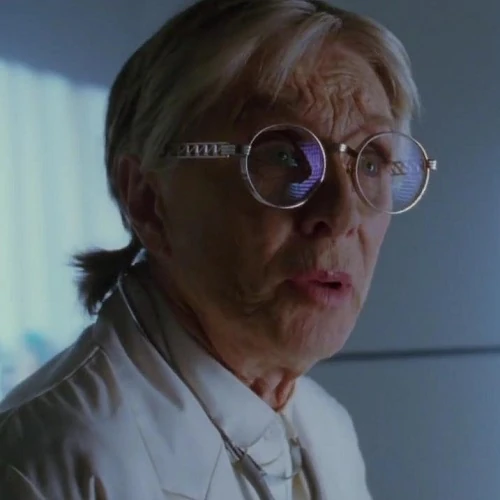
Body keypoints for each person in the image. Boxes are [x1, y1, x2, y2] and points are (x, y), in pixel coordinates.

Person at [0, 0, 437, 498]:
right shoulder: (45, 464)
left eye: (371, 163)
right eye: (283, 155)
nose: (341, 216)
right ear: (148, 201)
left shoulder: (328, 430)